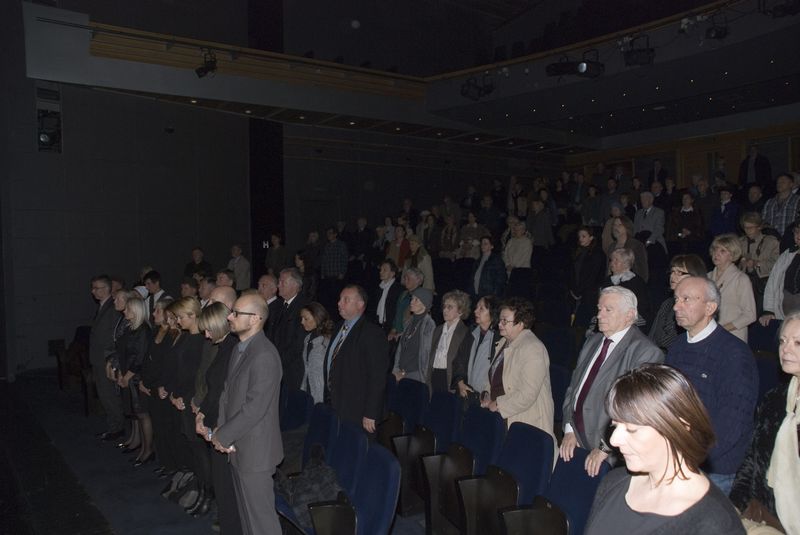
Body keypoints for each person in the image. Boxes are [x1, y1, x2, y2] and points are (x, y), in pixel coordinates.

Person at [584, 365, 745, 535]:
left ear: (680, 428)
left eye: (632, 429)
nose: (614, 440)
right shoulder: (613, 482)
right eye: (615, 425)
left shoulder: (716, 524)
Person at [666, 277, 758, 494]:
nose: (676, 306)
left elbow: (732, 423)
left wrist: (692, 458)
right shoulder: (677, 346)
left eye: (686, 299)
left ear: (710, 308)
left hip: (714, 468)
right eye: (676, 299)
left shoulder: (734, 353)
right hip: (678, 456)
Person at [560, 286, 664, 476]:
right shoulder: (592, 341)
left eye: (608, 310)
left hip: (610, 453)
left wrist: (605, 447)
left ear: (629, 315)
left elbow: (635, 409)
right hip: (576, 439)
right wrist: (569, 428)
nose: (599, 315)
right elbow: (574, 387)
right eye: (599, 309)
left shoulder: (646, 352)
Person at [212, 293, 282, 535]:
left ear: (255, 319)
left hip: (256, 451)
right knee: (247, 518)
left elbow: (254, 409)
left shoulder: (264, 355)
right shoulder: (239, 348)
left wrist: (222, 436)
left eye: (236, 313)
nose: (229, 317)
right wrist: (221, 429)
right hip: (238, 446)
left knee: (262, 523)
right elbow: (227, 393)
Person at [731, 312, 800, 534]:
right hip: (765, 515)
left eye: (797, 343)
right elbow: (752, 458)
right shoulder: (775, 399)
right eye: (783, 341)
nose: (786, 349)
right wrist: (735, 505)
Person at [194, 302, 243, 533]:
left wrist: (205, 418)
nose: (205, 335)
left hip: (224, 424)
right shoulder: (224, 346)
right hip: (216, 421)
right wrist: (202, 413)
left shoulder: (232, 348)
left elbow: (223, 393)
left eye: (208, 329)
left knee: (226, 484)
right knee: (222, 482)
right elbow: (213, 389)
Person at [480, 297, 555, 441]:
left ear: (521, 324)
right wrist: (486, 393)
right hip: (501, 418)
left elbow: (527, 394)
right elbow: (492, 377)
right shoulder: (503, 343)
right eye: (500, 320)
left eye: (505, 321)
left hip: (525, 421)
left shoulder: (533, 348)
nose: (499, 324)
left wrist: (498, 404)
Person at [324, 285, 390, 433]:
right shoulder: (339, 327)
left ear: (360, 305)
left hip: (357, 409)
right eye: (340, 299)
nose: (339, 303)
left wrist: (371, 413)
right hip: (336, 402)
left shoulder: (372, 333)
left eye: (345, 300)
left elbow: (377, 377)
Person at [89, 275, 125, 441]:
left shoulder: (112, 308)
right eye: (93, 288)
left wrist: (110, 360)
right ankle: (113, 425)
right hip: (98, 358)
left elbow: (114, 337)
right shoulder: (103, 306)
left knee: (109, 395)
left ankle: (117, 427)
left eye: (97, 288)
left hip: (106, 360)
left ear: (106, 289)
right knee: (104, 395)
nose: (93, 291)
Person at [649, 255, 707, 351]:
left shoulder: (696, 306)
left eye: (680, 272)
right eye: (672, 271)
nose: (672, 276)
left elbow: (668, 341)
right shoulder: (667, 303)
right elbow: (652, 335)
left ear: (694, 276)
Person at [708, 234, 757, 342]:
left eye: (722, 251)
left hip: (733, 337)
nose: (716, 254)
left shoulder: (741, 279)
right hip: (709, 336)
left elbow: (750, 315)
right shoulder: (707, 277)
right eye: (715, 249)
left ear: (732, 255)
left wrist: (721, 329)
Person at [452, 295, 501, 402]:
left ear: (492, 313)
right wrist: (460, 382)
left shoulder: (499, 339)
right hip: (466, 393)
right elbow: (459, 360)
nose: (475, 311)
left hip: (486, 398)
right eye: (476, 307)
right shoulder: (471, 333)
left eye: (481, 309)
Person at [271, 268, 310, 389]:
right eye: (279, 281)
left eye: (283, 282)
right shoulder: (278, 306)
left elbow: (298, 344)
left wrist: (277, 361)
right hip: (277, 365)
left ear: (295, 285)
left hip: (292, 370)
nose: (278, 285)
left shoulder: (304, 307)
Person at [426, 290, 472, 393]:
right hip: (434, 375)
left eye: (450, 307)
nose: (445, 310)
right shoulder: (438, 330)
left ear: (460, 311)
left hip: (449, 378)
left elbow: (462, 362)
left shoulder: (464, 332)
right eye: (444, 306)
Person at [601, 248, 653, 331]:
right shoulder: (608, 281)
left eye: (616, 260)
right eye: (611, 260)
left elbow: (643, 308)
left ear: (625, 263)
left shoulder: (637, 282)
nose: (612, 263)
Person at [392, 288, 436, 383]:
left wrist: (405, 374)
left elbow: (426, 354)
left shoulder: (429, 324)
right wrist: (397, 370)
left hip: (415, 375)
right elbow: (401, 349)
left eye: (416, 300)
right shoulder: (409, 322)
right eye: (412, 298)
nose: (411, 302)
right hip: (401, 372)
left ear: (424, 304)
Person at [761, 225, 800, 327]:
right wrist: (769, 310)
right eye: (796, 231)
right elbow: (772, 283)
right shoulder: (787, 254)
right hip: (783, 317)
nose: (798, 235)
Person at [570, 226, 607, 328]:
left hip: (590, 293)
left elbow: (592, 276)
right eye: (579, 236)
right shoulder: (579, 251)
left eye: (583, 236)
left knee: (585, 321)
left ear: (591, 237)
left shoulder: (597, 253)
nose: (580, 239)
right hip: (578, 291)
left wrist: (579, 291)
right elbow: (573, 272)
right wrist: (574, 289)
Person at [299, 302, 333, 404]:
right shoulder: (307, 339)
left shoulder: (327, 342)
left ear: (317, 318)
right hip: (307, 391)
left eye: (306, 319)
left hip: (322, 395)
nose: (302, 322)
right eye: (301, 318)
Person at [606, 216, 649, 282]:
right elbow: (608, 270)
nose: (615, 227)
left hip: (631, 283)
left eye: (620, 225)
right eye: (614, 225)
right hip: (614, 283)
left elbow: (642, 271)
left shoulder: (636, 245)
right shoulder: (611, 246)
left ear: (627, 227)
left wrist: (638, 285)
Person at [367, 259, 402, 334]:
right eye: (381, 269)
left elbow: (398, 311)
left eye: (384, 270)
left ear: (392, 273)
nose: (380, 272)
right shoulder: (378, 287)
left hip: (390, 327)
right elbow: (372, 307)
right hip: (376, 324)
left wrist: (394, 328)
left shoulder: (398, 290)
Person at [470, 236, 506, 301]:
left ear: (492, 246)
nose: (482, 246)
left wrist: (494, 295)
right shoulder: (477, 261)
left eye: (485, 243)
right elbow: (473, 278)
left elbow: (501, 279)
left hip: (488, 295)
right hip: (476, 294)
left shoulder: (497, 260)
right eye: (481, 243)